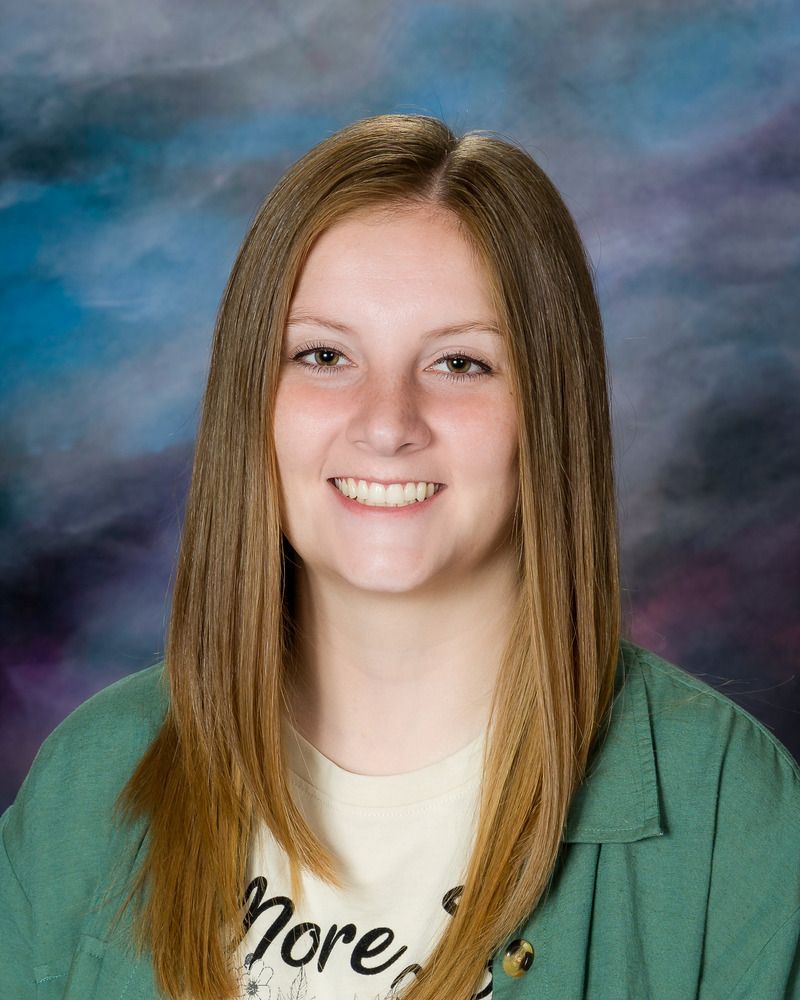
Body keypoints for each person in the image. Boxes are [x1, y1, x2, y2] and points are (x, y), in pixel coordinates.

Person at [1, 113, 798, 1000]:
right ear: (250, 402)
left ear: (549, 410)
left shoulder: (734, 819)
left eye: (459, 363)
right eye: (324, 355)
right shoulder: (91, 783)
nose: (386, 424)